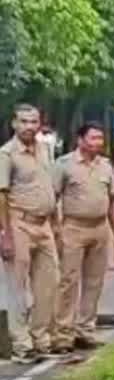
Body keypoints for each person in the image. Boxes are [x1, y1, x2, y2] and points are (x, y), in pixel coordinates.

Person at [52, 122, 114, 354]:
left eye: (100, 138)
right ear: (80, 140)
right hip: (73, 227)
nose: (98, 143)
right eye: (93, 138)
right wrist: (56, 230)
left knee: (94, 281)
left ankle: (86, 329)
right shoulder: (64, 165)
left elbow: (112, 201)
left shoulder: (106, 166)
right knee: (68, 281)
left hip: (100, 228)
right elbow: (53, 198)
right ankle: (63, 334)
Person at [0, 104, 61, 363]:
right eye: (23, 121)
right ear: (14, 124)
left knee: (49, 283)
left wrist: (56, 223)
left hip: (44, 224)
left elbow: (49, 187)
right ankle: (22, 346)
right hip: (18, 223)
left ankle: (41, 339)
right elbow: (1, 195)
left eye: (34, 121)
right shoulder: (6, 154)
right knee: (18, 288)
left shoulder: (45, 148)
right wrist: (5, 234)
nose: (29, 126)